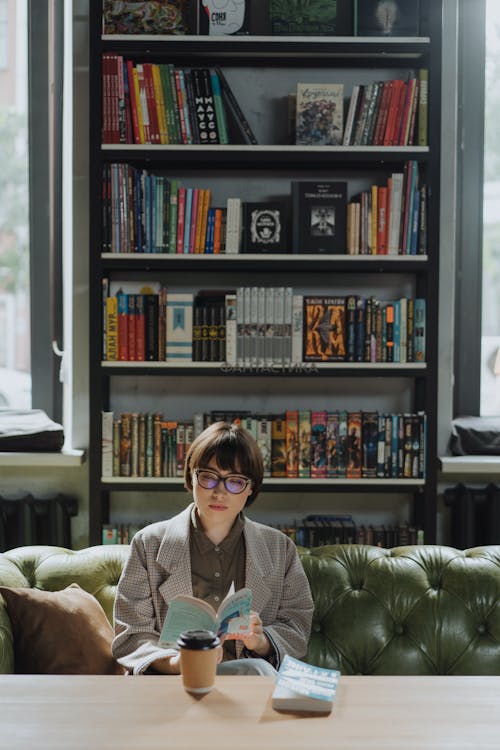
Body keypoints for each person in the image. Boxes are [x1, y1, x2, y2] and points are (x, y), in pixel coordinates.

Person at [112, 421, 314, 675]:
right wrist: (178, 662)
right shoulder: (147, 544)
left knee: (256, 669)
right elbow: (132, 634)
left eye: (235, 481)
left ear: (250, 488)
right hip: (172, 681)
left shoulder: (279, 548)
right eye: (208, 477)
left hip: (250, 683)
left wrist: (261, 641)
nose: (219, 492)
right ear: (191, 476)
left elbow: (297, 626)